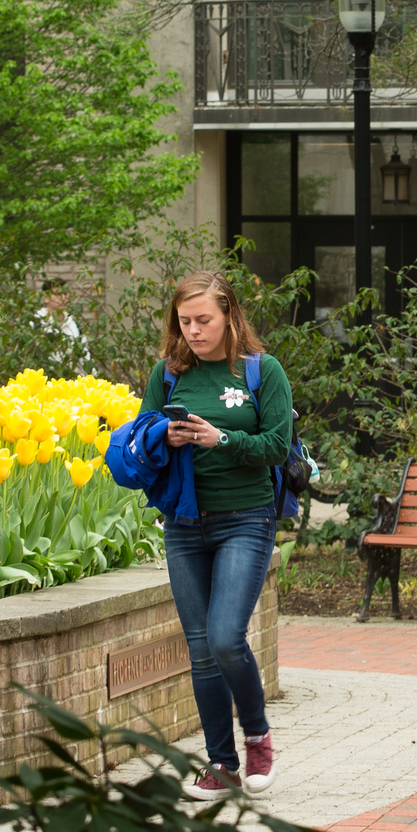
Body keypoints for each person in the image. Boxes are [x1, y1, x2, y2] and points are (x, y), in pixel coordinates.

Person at [140, 270, 292, 800]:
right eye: (185, 322)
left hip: (244, 519)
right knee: (201, 649)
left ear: (229, 315)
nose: (194, 331)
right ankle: (221, 764)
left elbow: (277, 445)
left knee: (226, 637)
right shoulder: (168, 374)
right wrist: (167, 433)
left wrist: (221, 438)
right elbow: (141, 436)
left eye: (203, 320)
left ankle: (257, 735)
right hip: (183, 523)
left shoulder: (261, 371)